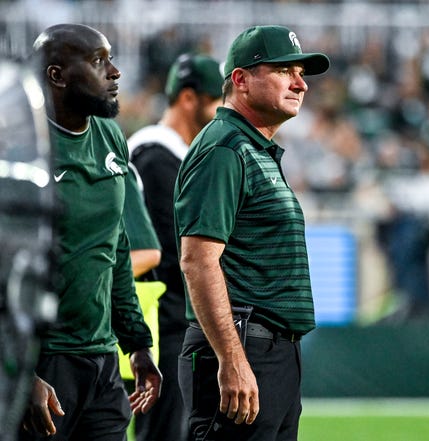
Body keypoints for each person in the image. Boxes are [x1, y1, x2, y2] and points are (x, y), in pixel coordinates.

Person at [174, 25, 329, 440]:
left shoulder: (250, 147)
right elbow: (197, 260)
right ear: (240, 80)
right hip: (244, 346)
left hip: (270, 351)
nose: (301, 84)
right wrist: (232, 358)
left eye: (301, 72)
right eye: (283, 71)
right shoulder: (225, 148)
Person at [21, 23, 162, 440]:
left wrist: (136, 344)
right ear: (57, 75)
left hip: (100, 361)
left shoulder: (110, 135)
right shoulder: (19, 147)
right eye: (100, 62)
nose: (115, 72)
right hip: (42, 363)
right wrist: (20, 374)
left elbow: (116, 246)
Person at [128, 52, 223, 441]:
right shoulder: (154, 157)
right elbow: (170, 256)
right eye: (216, 99)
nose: (223, 111)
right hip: (166, 327)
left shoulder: (174, 157)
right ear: (188, 99)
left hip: (180, 326)